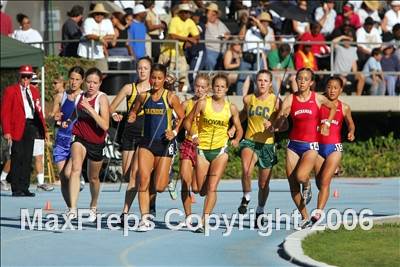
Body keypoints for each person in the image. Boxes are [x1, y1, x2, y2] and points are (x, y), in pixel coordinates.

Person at [273, 68, 337, 228]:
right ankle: (304, 216)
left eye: (305, 79)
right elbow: (280, 124)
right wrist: (280, 118)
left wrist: (327, 123)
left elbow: (333, 108)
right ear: (296, 80)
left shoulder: (318, 98)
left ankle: (307, 185)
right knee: (292, 184)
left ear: (311, 82)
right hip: (293, 145)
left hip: (311, 145)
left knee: (301, 177)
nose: (302, 81)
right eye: (299, 78)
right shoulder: (290, 98)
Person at [127, 64, 184, 231]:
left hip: (165, 144)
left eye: (159, 78)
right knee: (142, 180)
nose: (156, 81)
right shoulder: (143, 97)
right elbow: (134, 110)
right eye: (153, 78)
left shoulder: (171, 97)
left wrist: (174, 131)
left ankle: (166, 176)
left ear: (165, 78)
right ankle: (144, 219)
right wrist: (131, 116)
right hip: (147, 144)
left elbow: (182, 117)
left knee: (159, 186)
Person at [184, 73, 243, 233]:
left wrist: (236, 138)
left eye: (222, 87)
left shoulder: (230, 108)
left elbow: (239, 128)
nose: (219, 89)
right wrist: (194, 135)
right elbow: (187, 121)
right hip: (202, 150)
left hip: (220, 151)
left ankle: (204, 221)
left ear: (226, 89)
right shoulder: (203, 103)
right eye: (216, 86)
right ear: (212, 87)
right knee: (199, 190)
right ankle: (200, 195)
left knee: (212, 187)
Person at [236, 70, 287, 227]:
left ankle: (260, 210)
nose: (262, 83)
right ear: (256, 82)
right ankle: (246, 197)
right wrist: (234, 126)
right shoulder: (248, 99)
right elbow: (244, 115)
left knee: (263, 184)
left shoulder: (276, 102)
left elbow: (285, 125)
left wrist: (274, 127)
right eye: (260, 80)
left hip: (267, 145)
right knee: (246, 169)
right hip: (249, 142)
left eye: (266, 80)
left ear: (270, 83)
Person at [109, 57, 152, 219]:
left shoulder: (154, 89)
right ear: (136, 70)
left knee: (136, 175)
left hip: (145, 135)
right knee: (127, 175)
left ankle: (127, 212)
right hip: (129, 133)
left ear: (150, 70)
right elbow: (111, 107)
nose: (142, 71)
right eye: (140, 68)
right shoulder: (129, 88)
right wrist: (114, 114)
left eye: (145, 68)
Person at [65, 68, 110, 220]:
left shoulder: (102, 99)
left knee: (93, 178)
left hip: (96, 141)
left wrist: (90, 109)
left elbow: (105, 126)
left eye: (95, 83)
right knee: (75, 169)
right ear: (85, 81)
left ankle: (93, 205)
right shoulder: (79, 96)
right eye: (89, 82)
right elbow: (75, 113)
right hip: (79, 137)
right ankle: (72, 209)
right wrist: (68, 121)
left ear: (100, 84)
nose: (91, 85)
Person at [312, 76, 355, 224]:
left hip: (334, 147)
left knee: (324, 182)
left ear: (341, 90)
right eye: (329, 87)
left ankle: (318, 213)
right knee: (320, 182)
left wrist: (351, 132)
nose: (332, 90)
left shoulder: (345, 107)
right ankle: (332, 173)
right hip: (317, 147)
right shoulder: (318, 102)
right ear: (325, 88)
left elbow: (351, 124)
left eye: (335, 88)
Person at [1, 65, 47, 197]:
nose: (26, 79)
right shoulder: (10, 91)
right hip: (16, 127)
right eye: (24, 76)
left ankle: (25, 187)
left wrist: (42, 127)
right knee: (17, 157)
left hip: (31, 125)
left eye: (29, 76)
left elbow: (38, 110)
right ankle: (16, 188)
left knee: (28, 158)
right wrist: (7, 131)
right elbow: (5, 113)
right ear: (19, 77)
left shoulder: (34, 91)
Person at [50, 66, 85, 207]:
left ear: (82, 81)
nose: (74, 82)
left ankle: (78, 177)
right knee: (63, 178)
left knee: (69, 173)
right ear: (68, 79)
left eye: (77, 79)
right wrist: (55, 117)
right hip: (60, 140)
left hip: (76, 140)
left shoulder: (84, 97)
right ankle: (71, 208)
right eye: (71, 79)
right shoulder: (60, 96)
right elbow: (53, 117)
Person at [179, 74, 210, 225]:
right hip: (188, 143)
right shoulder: (186, 104)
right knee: (185, 181)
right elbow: (180, 122)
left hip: (204, 147)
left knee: (198, 189)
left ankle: (207, 181)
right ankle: (188, 217)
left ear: (208, 88)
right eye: (197, 86)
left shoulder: (211, 104)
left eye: (203, 87)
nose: (199, 89)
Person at [158, 3, 199, 92]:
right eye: (184, 12)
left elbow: (197, 36)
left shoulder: (190, 22)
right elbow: (172, 36)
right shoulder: (174, 20)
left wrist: (189, 42)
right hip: (167, 50)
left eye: (188, 12)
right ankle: (159, 90)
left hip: (179, 51)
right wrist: (188, 39)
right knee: (161, 71)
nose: (186, 14)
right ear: (180, 13)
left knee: (183, 71)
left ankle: (179, 92)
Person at [30, 74, 54, 191]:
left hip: (37, 131)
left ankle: (40, 183)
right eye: (33, 83)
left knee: (39, 156)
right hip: (26, 130)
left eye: (37, 84)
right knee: (17, 157)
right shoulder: (21, 96)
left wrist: (44, 131)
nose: (36, 86)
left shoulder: (38, 96)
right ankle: (4, 178)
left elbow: (41, 116)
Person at [77, 3, 114, 73]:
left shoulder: (107, 22)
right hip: (85, 53)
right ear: (93, 14)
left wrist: (101, 39)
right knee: (86, 74)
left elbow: (112, 36)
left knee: (103, 72)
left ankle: (97, 83)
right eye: (97, 13)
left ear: (104, 15)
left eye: (101, 14)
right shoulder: (88, 21)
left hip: (99, 53)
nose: (99, 15)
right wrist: (100, 39)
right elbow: (88, 35)